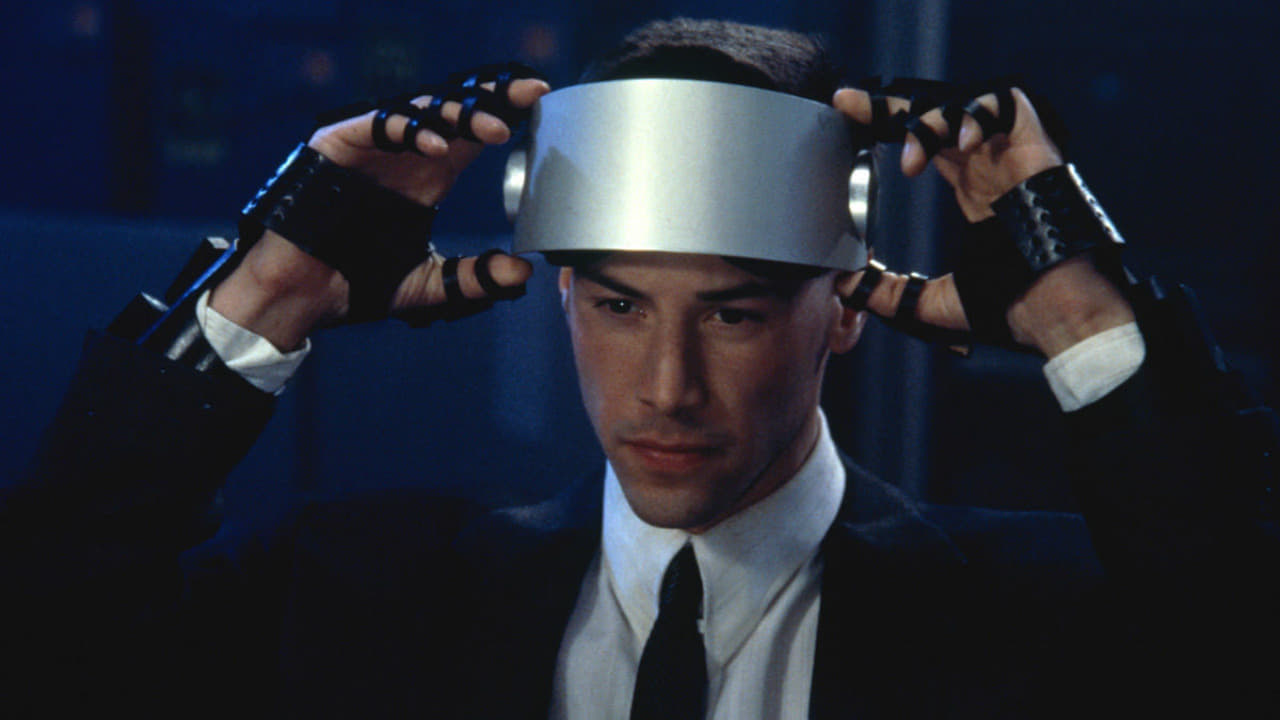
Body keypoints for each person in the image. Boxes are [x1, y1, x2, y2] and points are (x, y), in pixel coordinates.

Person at [5, 17, 1276, 719]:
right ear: (562, 295)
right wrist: (261, 297)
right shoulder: (355, 595)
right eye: (617, 305)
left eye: (733, 315)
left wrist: (1082, 314)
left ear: (841, 312)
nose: (665, 385)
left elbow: (1238, 648)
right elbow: (48, 642)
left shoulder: (1036, 619)